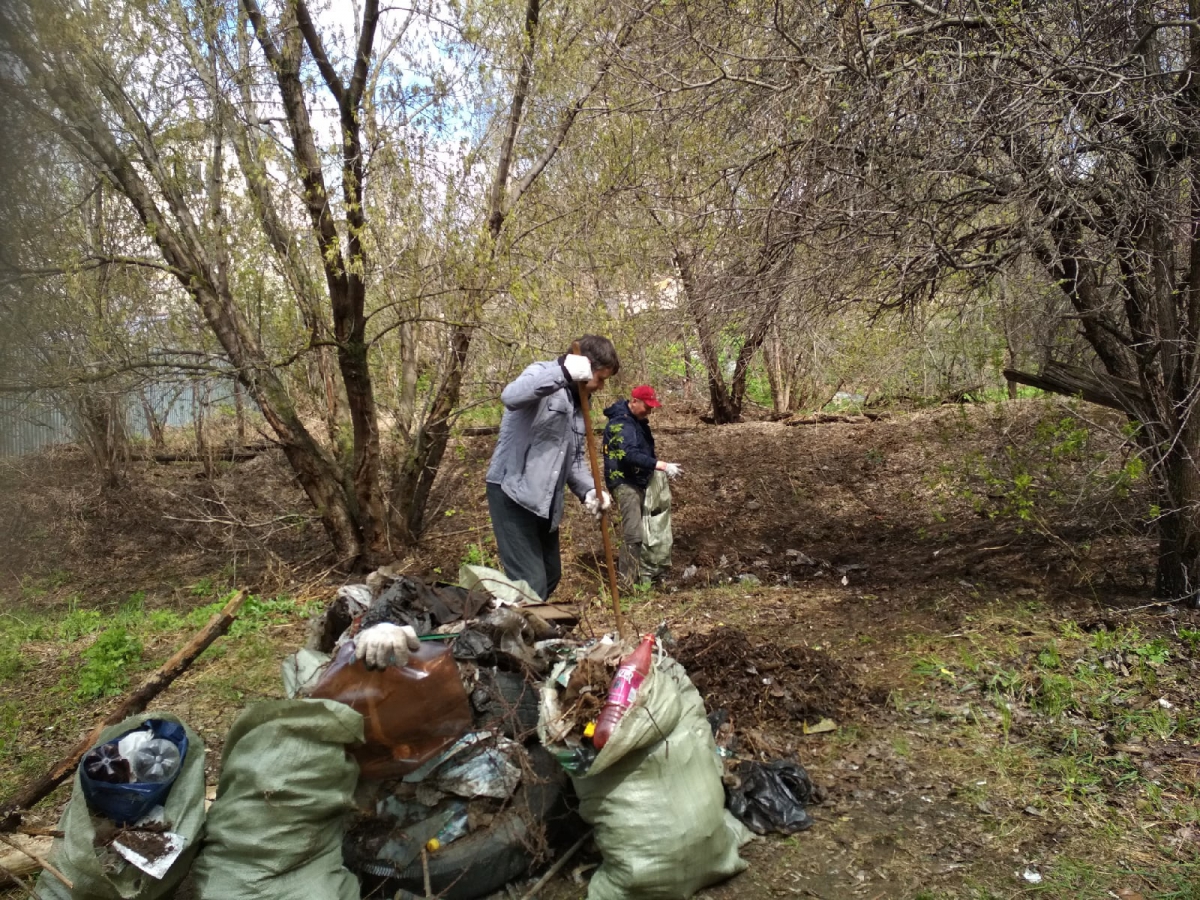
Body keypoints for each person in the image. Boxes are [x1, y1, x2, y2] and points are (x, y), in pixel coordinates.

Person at [484, 335, 619, 600]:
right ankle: (515, 621)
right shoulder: (542, 372)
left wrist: (590, 490)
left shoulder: (581, 402)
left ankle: (513, 615)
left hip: (544, 502)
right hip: (512, 492)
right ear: (584, 366)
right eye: (600, 378)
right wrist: (563, 372)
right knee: (530, 582)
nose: (602, 387)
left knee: (550, 574)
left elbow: (575, 459)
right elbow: (511, 396)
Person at [602, 384, 682, 586]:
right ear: (634, 401)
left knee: (647, 530)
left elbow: (645, 451)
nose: (649, 411)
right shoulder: (621, 423)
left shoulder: (638, 423)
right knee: (634, 534)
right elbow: (629, 454)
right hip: (624, 482)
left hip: (638, 481)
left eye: (651, 407)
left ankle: (642, 576)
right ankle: (626, 584)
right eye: (647, 406)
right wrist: (659, 465)